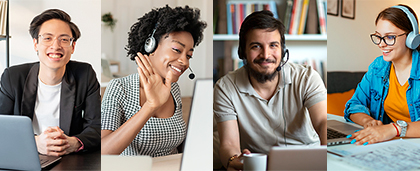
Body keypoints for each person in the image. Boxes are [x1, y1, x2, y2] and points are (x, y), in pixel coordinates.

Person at [213, 10, 327, 170]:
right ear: (243, 51)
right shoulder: (225, 87)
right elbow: (228, 144)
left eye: (273, 45)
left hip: (308, 163)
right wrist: (233, 160)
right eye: (256, 46)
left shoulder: (307, 77)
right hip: (259, 166)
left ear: (283, 49)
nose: (265, 55)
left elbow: (322, 122)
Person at [101, 5, 206, 156]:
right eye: (177, 50)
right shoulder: (119, 87)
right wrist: (150, 106)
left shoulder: (173, 89)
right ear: (150, 45)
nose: (184, 61)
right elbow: (103, 152)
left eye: (189, 55)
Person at [0, 9, 101, 156]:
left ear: (72, 46)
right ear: (36, 44)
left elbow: (97, 126)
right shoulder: (13, 77)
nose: (56, 46)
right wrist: (34, 143)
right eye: (48, 38)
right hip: (23, 156)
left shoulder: (84, 74)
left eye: (64, 39)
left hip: (68, 159)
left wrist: (73, 142)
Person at [345, 4, 420, 145]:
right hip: (392, 144)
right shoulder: (378, 67)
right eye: (378, 37)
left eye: (390, 37)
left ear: (411, 37)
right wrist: (368, 122)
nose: (381, 44)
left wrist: (394, 129)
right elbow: (354, 105)